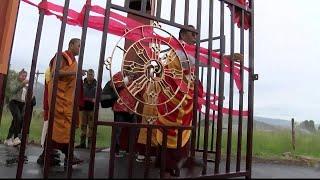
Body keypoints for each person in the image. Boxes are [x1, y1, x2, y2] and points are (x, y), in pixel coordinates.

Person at [155, 25, 243, 177]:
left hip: (181, 99)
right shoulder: (180, 50)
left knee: (179, 130)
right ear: (182, 34)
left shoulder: (181, 50)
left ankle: (174, 162)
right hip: (175, 99)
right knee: (174, 130)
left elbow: (203, 59)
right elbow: (205, 58)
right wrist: (227, 57)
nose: (195, 38)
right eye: (192, 34)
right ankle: (171, 164)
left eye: (196, 35)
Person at [39, 38, 83, 167]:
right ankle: (65, 156)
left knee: (64, 128)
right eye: (78, 46)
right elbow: (55, 73)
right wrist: (74, 72)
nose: (80, 48)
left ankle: (49, 155)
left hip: (67, 101)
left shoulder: (73, 61)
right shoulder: (61, 56)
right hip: (58, 99)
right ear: (71, 45)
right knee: (58, 126)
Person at [111, 71, 138, 157]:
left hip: (131, 108)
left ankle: (130, 150)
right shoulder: (120, 74)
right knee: (118, 131)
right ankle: (115, 151)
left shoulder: (137, 78)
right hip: (120, 108)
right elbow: (113, 85)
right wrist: (125, 80)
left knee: (134, 130)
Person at [4, 69, 28, 146]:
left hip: (21, 104)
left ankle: (8, 139)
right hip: (14, 102)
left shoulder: (25, 86)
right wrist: (22, 84)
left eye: (25, 76)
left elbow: (25, 96)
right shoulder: (15, 82)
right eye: (22, 75)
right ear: (19, 75)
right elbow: (13, 90)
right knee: (18, 118)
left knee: (15, 120)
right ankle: (16, 137)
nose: (24, 77)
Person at [76, 69, 97, 149]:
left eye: (92, 75)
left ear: (94, 75)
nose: (90, 76)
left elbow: (100, 96)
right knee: (83, 126)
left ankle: (90, 145)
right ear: (87, 75)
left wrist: (94, 100)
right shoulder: (82, 84)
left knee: (91, 127)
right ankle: (82, 143)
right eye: (89, 74)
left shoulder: (97, 85)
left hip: (92, 109)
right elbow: (78, 94)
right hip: (83, 109)